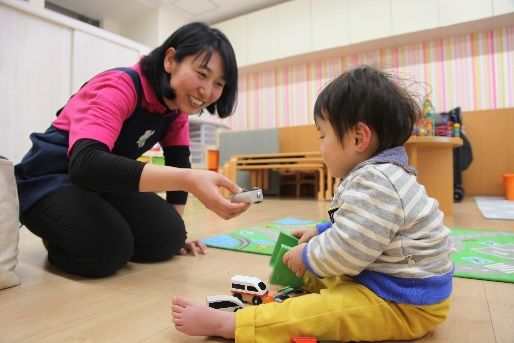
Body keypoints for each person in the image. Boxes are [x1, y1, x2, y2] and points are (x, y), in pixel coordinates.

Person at [171, 65, 456, 342]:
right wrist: (320, 233)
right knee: (325, 274)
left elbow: (350, 247)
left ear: (359, 137)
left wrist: (308, 255)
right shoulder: (379, 174)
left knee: (319, 313)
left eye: (323, 135)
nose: (321, 146)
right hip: (390, 283)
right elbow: (356, 224)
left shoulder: (378, 180)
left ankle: (232, 324)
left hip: (404, 304)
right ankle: (302, 278)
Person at [14, 22, 249, 278]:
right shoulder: (119, 86)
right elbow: (86, 164)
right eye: (202, 74)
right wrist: (189, 180)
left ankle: (97, 226)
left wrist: (176, 228)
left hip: (99, 184)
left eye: (219, 83)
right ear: (171, 60)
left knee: (169, 238)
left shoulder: (175, 109)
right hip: (48, 181)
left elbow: (179, 163)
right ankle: (60, 237)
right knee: (106, 252)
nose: (207, 91)